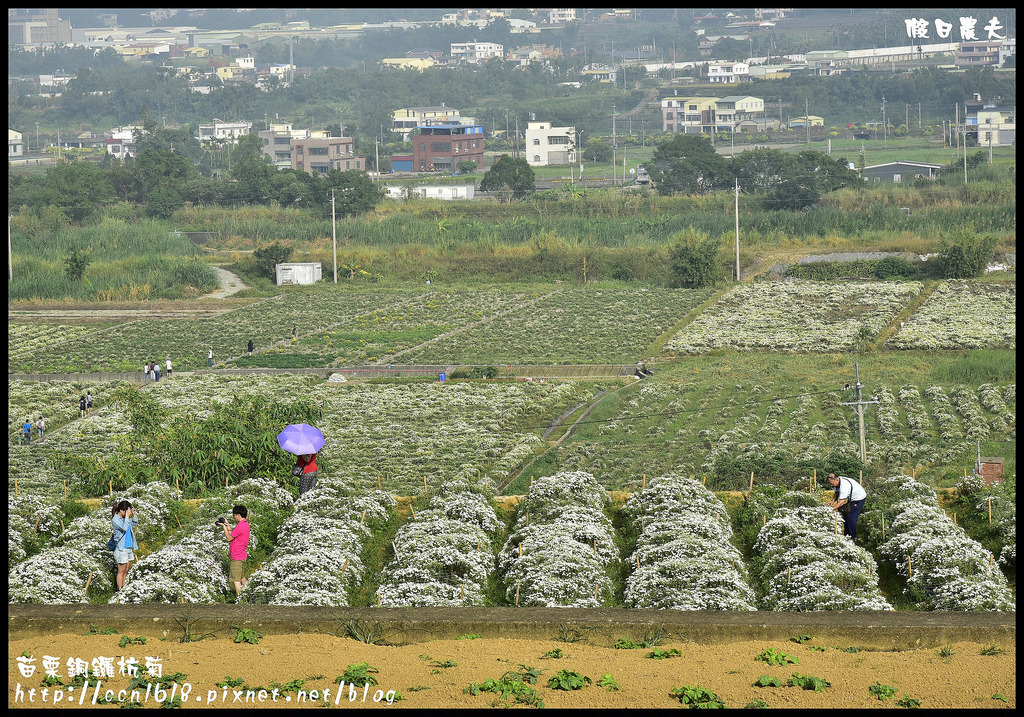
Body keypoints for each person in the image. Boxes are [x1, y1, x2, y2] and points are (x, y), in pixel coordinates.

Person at [826, 473, 867, 542]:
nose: (831, 485)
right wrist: (832, 502)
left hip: (859, 498)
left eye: (832, 483)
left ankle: (853, 538)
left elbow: (842, 501)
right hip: (852, 498)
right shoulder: (837, 482)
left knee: (851, 517)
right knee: (845, 515)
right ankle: (846, 536)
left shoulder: (844, 486)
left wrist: (832, 509)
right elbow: (836, 493)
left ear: (836, 479)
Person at [220, 505, 250, 597]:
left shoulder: (240, 526)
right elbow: (234, 534)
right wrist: (227, 525)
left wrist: (223, 527)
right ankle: (249, 595)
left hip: (236, 556)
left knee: (236, 580)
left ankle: (241, 599)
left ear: (238, 515)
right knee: (242, 577)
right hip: (242, 555)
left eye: (234, 515)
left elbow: (229, 538)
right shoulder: (245, 525)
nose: (234, 516)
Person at [111, 500, 139, 591]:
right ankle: (120, 590)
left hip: (128, 548)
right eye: (126, 511)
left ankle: (124, 589)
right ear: (121, 510)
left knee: (126, 571)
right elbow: (124, 528)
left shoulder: (124, 518)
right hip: (121, 549)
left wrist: (134, 514)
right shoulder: (116, 520)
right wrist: (127, 516)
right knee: (121, 571)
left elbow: (134, 523)